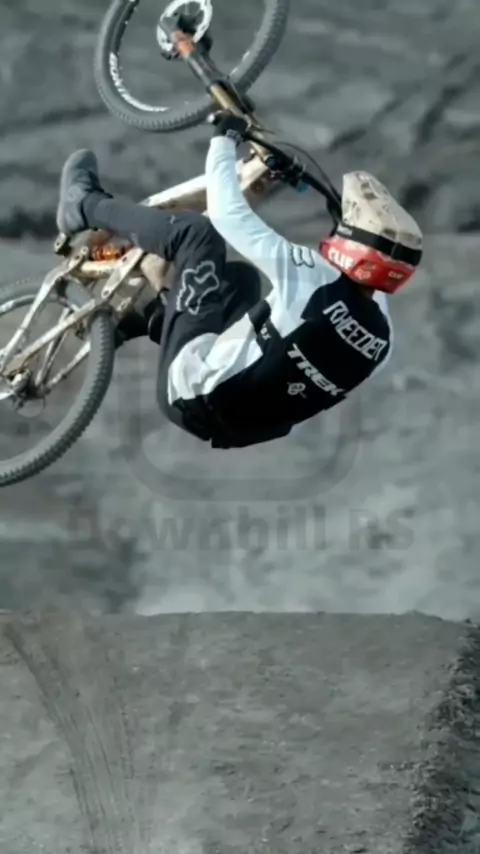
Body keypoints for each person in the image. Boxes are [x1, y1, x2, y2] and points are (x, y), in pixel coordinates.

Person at [56, 112, 423, 450]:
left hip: (191, 391)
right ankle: (140, 321)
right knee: (239, 281)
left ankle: (83, 205)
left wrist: (223, 140)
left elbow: (226, 215)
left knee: (196, 236)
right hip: (236, 429)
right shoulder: (383, 342)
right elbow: (356, 298)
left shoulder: (313, 278)